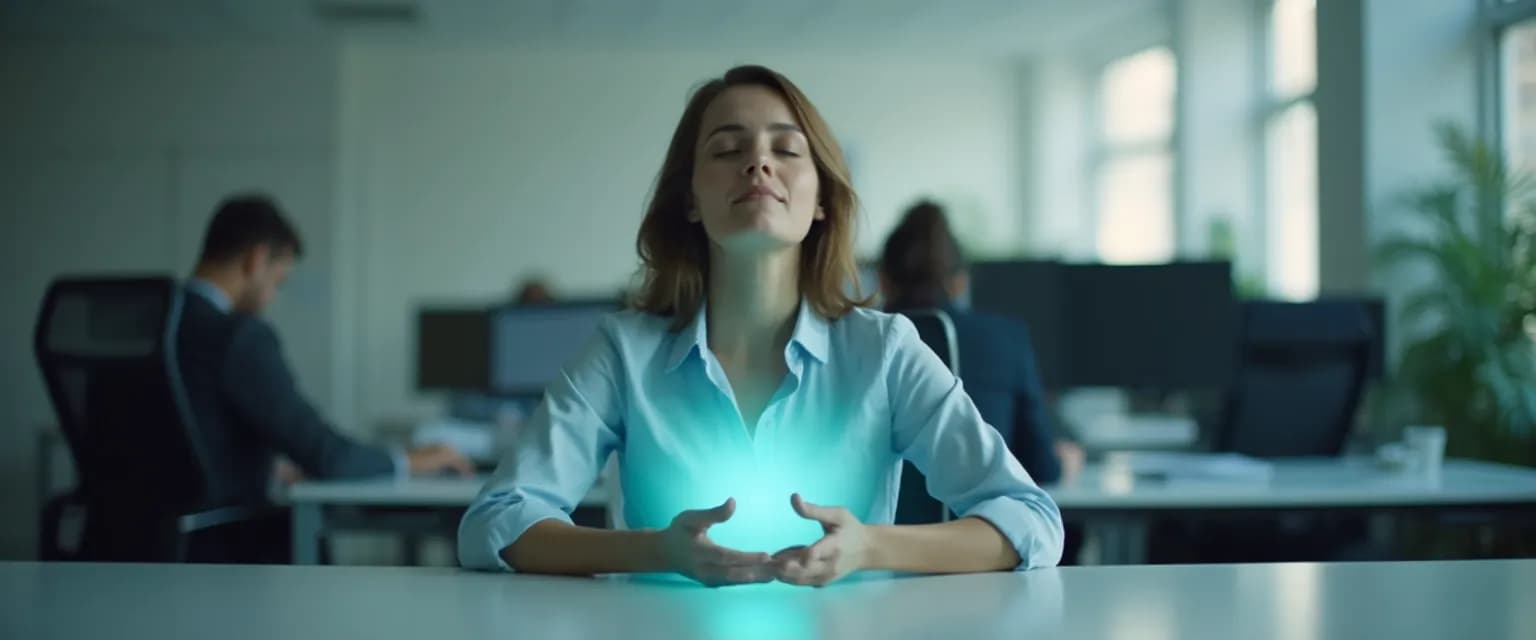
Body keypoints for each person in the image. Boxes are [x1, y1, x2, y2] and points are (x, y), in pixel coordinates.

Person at [458, 65, 1063, 586]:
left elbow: (1030, 518)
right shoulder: (624, 352)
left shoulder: (884, 351)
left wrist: (872, 547)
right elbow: (495, 521)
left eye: (786, 149)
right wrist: (654, 550)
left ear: (821, 197)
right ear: (691, 198)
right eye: (727, 150)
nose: (757, 164)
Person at [178, 195, 474, 515]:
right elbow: (326, 455)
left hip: (140, 536)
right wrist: (411, 460)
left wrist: (266, 469)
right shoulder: (239, 336)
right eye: (278, 282)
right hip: (224, 543)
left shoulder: (152, 321)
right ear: (257, 259)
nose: (270, 299)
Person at [878, 201, 1084, 485]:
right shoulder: (1006, 339)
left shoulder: (853, 343)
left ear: (882, 280)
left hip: (870, 527)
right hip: (977, 527)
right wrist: (1064, 462)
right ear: (961, 283)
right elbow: (1040, 468)